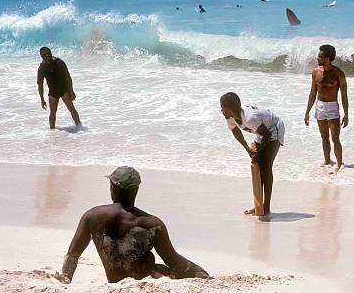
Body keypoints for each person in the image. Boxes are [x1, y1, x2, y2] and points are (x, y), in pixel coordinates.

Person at [55, 166, 210, 283]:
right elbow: (173, 260)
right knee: (168, 269)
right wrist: (198, 271)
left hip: (115, 281)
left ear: (112, 188)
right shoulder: (152, 223)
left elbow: (73, 255)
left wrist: (66, 278)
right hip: (147, 278)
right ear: (136, 190)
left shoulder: (92, 216)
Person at [220, 92, 285, 216]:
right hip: (261, 131)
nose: (222, 112)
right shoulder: (230, 117)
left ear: (230, 109)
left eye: (222, 109)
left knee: (266, 167)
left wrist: (259, 154)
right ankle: (258, 205)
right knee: (257, 167)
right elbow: (235, 131)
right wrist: (247, 149)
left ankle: (266, 208)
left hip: (273, 127)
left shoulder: (250, 118)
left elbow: (268, 134)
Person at [304, 45, 349, 173]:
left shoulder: (338, 73)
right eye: (318, 55)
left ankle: (339, 164)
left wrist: (346, 114)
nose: (317, 58)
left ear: (328, 59)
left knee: (335, 137)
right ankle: (327, 161)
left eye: (320, 56)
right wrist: (307, 112)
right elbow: (312, 93)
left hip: (332, 107)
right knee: (324, 136)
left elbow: (344, 95)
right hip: (320, 106)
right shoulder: (315, 72)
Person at [37, 47, 81, 129]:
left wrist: (71, 91)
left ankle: (80, 127)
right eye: (44, 54)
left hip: (64, 90)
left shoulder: (59, 63)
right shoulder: (41, 68)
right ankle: (52, 132)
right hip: (53, 92)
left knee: (72, 109)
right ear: (41, 56)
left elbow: (68, 78)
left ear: (51, 52)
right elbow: (40, 85)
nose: (47, 55)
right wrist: (42, 99)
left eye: (48, 53)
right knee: (53, 113)